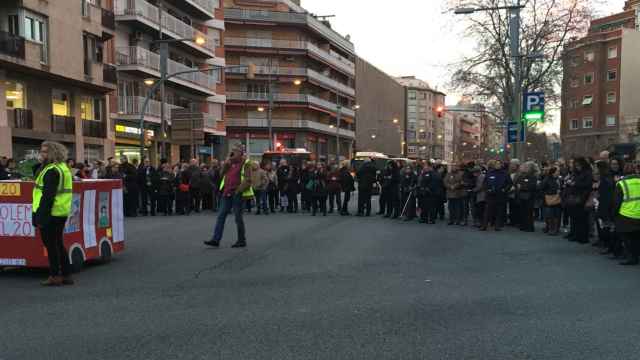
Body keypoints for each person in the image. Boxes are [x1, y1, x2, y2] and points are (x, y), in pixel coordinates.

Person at [32, 141, 74, 286]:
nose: (41, 154)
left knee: (51, 245)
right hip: (61, 211)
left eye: (44, 152)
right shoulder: (62, 168)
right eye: (41, 151)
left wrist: (40, 216)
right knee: (58, 243)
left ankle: (55, 275)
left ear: (52, 153)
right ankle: (66, 274)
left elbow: (47, 196)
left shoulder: (51, 170)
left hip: (49, 212)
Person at [204, 145, 253, 248]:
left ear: (241, 153)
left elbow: (248, 179)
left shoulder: (246, 163)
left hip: (237, 193)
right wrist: (226, 165)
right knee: (221, 216)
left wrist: (239, 190)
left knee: (238, 218)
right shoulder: (229, 163)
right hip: (226, 193)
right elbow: (221, 175)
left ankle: (241, 240)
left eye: (235, 151)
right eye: (232, 151)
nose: (233, 152)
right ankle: (216, 239)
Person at [613, 165, 640, 265]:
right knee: (637, 237)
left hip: (626, 214)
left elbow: (617, 202)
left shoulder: (621, 184)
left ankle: (631, 258)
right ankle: (636, 255)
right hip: (638, 213)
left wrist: (614, 214)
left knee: (627, 238)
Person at [565, 157, 594, 244]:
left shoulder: (587, 173)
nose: (577, 167)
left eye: (579, 165)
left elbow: (588, 184)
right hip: (575, 197)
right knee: (575, 217)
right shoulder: (577, 173)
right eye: (576, 165)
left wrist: (575, 184)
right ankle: (576, 235)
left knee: (582, 219)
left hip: (582, 197)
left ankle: (583, 237)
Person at [481, 160, 511, 231]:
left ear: (501, 165)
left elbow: (509, 183)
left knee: (499, 211)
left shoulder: (505, 173)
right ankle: (484, 225)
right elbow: (485, 183)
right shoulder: (489, 173)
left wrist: (505, 190)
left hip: (500, 195)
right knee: (487, 211)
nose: (497, 165)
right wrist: (487, 190)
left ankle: (497, 226)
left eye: (499, 164)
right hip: (490, 195)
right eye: (496, 164)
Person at [517, 161, 538, 232]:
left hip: (530, 196)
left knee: (529, 212)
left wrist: (522, 186)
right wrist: (523, 185)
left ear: (531, 168)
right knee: (523, 212)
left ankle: (529, 227)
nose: (526, 168)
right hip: (522, 196)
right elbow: (518, 183)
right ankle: (524, 225)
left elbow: (531, 186)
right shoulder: (523, 175)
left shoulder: (534, 176)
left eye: (527, 166)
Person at [541, 166, 562, 236]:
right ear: (553, 172)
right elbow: (542, 188)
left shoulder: (559, 179)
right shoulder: (547, 179)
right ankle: (550, 228)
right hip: (549, 199)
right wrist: (551, 193)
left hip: (558, 199)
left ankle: (555, 229)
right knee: (550, 215)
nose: (559, 172)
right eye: (558, 171)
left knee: (557, 215)